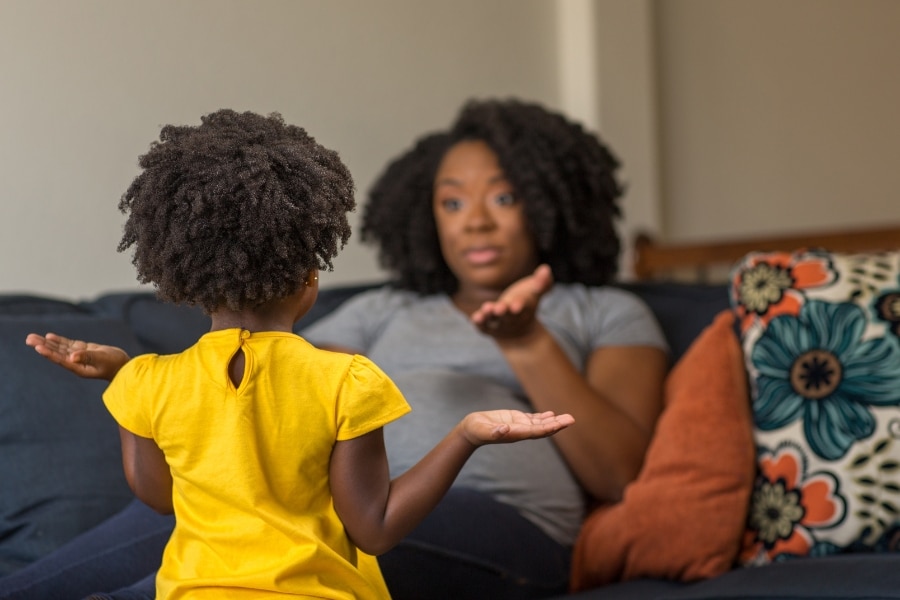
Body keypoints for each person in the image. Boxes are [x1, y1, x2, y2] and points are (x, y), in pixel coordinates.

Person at [1, 98, 667, 600]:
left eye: (504, 196)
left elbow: (619, 474)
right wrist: (145, 384)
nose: (478, 219)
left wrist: (527, 343)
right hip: (325, 503)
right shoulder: (383, 309)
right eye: (453, 201)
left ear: (555, 204)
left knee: (250, 537)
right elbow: (262, 396)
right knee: (229, 512)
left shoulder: (604, 311)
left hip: (501, 521)